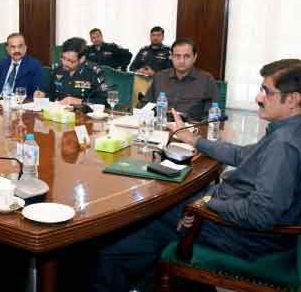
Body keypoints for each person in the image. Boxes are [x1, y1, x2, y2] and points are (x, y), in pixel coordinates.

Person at [90, 59, 301, 292]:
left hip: (243, 236)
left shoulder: (284, 145)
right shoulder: (289, 131)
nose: (259, 98)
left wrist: (206, 204)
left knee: (134, 228)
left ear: (293, 99)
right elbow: (241, 155)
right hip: (236, 214)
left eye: (267, 91)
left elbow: (260, 214)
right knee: (164, 202)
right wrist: (194, 140)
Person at [142, 38, 218, 121]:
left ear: (194, 57)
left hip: (190, 127)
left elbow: (212, 116)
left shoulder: (206, 80)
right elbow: (145, 105)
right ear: (171, 56)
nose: (181, 61)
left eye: (187, 56)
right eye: (177, 56)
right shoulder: (160, 77)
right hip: (161, 124)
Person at [35, 37, 108, 106]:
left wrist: (80, 101)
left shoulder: (93, 72)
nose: (64, 63)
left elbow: (104, 101)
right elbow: (51, 94)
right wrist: (43, 95)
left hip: (83, 113)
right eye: (63, 58)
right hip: (59, 112)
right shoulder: (57, 70)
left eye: (70, 61)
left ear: (82, 59)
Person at [0, 33, 44, 97]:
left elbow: (38, 92)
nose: (17, 50)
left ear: (25, 48)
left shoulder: (35, 66)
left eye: (20, 46)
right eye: (13, 47)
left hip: (21, 102)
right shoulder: (1, 64)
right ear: (7, 49)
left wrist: (39, 94)